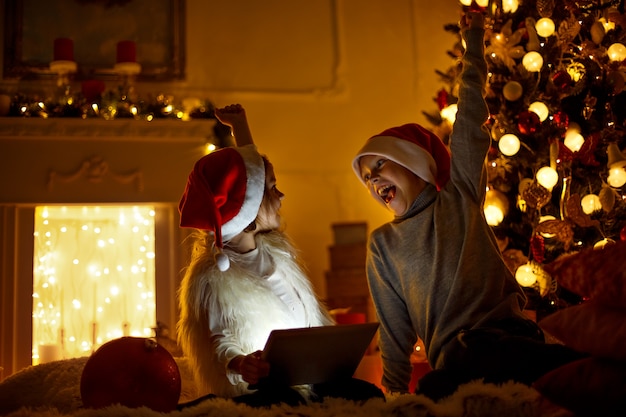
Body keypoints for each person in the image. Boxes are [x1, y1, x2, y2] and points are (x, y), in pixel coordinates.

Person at [351, 12, 583, 400]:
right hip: (457, 359)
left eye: (379, 165)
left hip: (506, 336)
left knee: (523, 362)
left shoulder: (458, 196)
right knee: (438, 384)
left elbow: (471, 115)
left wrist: (473, 40)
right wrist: (392, 393)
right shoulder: (382, 246)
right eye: (367, 177)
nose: (373, 179)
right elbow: (394, 328)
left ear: (415, 165)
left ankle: (574, 366)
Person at [177, 104, 384, 408]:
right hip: (260, 389)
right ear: (250, 210)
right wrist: (241, 363)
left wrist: (240, 126)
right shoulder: (215, 277)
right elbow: (221, 342)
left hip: (311, 378)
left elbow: (246, 176)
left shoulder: (277, 251)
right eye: (273, 189)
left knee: (369, 397)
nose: (281, 195)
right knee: (286, 401)